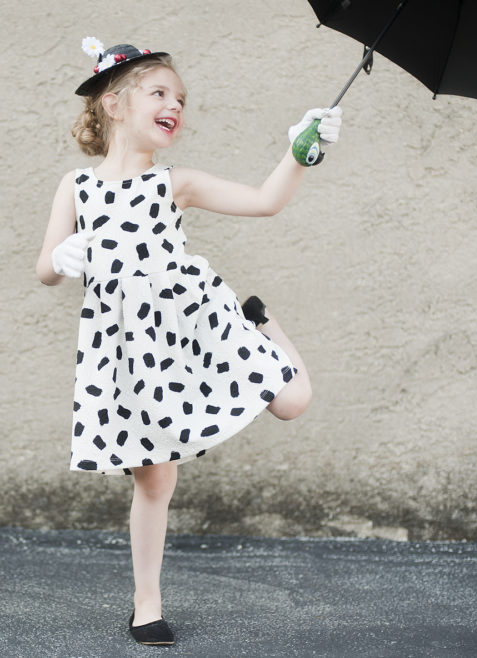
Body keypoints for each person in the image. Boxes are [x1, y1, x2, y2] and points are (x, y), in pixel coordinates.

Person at [36, 38, 342, 646]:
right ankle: (145, 604)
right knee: (154, 479)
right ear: (115, 104)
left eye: (181, 98)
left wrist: (302, 150)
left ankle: (263, 323)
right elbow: (44, 266)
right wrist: (63, 257)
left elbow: (265, 201)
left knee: (293, 402)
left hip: (192, 324)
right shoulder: (76, 187)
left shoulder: (174, 182)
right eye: (160, 93)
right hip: (128, 346)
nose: (175, 104)